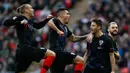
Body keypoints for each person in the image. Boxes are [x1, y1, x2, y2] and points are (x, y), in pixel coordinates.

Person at [3, 4, 63, 73]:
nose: (33, 9)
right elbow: (6, 22)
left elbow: (38, 26)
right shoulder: (20, 17)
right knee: (52, 54)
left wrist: (47, 19)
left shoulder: (30, 22)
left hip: (23, 50)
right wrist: (20, 22)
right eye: (31, 8)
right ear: (26, 11)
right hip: (25, 49)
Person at [48, 8, 88, 73]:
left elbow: (74, 38)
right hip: (56, 52)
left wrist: (87, 36)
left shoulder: (65, 28)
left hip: (57, 56)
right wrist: (58, 30)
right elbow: (49, 22)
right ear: (61, 15)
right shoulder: (56, 21)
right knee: (80, 60)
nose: (69, 15)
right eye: (67, 14)